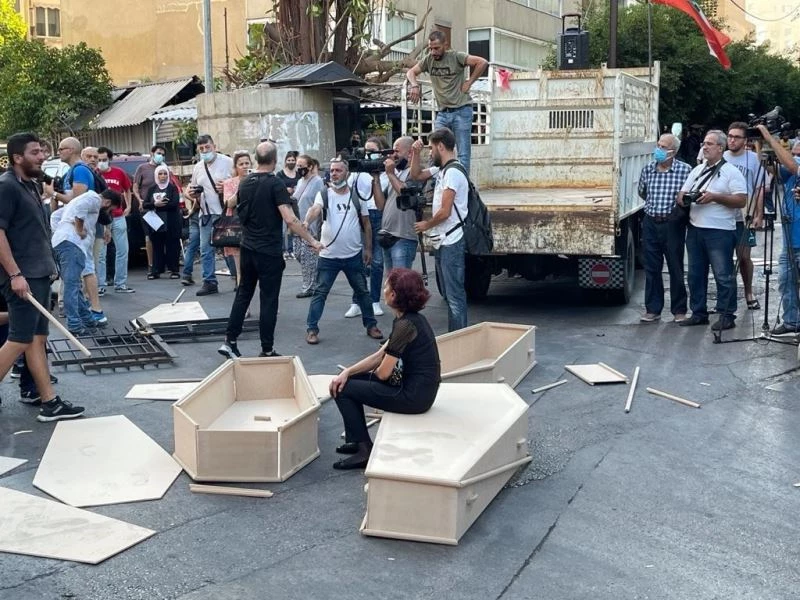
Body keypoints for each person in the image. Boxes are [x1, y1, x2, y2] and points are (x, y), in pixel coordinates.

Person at [0, 132, 82, 422]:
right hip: (23, 276)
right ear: (17, 157)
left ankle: (50, 402)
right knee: (20, 339)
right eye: (35, 152)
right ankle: (47, 400)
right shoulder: (7, 187)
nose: (42, 155)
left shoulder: (32, 185)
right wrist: (15, 274)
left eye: (42, 151)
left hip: (39, 273)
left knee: (36, 339)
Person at [218, 142, 322, 359]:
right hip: (268, 252)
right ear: (275, 160)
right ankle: (266, 349)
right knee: (268, 300)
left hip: (247, 248)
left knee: (243, 294)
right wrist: (312, 240)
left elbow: (231, 203)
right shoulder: (276, 184)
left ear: (256, 159)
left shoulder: (245, 182)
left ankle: (230, 341)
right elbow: (290, 219)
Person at [329, 268, 441, 469]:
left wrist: (355, 378)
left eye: (386, 285)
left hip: (414, 397)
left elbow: (383, 372)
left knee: (343, 389)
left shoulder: (405, 325)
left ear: (394, 295)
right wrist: (348, 372)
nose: (383, 289)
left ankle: (364, 450)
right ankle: (356, 440)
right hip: (417, 390)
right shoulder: (409, 319)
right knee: (344, 381)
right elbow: (380, 355)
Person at [302, 158, 384, 345]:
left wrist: (369, 248)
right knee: (320, 293)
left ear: (346, 173)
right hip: (328, 256)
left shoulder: (357, 195)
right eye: (332, 170)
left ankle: (371, 325)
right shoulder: (324, 194)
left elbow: (366, 223)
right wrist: (306, 222)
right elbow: (315, 210)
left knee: (363, 292)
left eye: (338, 170)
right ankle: (312, 329)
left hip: (353, 255)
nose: (334, 173)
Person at [677, 130, 748, 331]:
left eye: (709, 144)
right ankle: (699, 312)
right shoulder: (698, 170)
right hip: (696, 228)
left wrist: (715, 197)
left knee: (723, 274)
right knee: (695, 274)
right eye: (703, 143)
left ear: (720, 148)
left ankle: (727, 315)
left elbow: (741, 199)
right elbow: (683, 192)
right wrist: (683, 197)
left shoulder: (731, 172)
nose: (704, 147)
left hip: (719, 231)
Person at [409, 127, 470, 331]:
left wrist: (427, 225)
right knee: (451, 293)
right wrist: (415, 153)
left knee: (454, 295)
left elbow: (445, 211)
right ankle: (456, 336)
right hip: (445, 239)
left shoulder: (452, 172)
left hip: (452, 239)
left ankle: (458, 338)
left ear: (441, 146)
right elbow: (416, 175)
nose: (430, 153)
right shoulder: (443, 170)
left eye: (431, 149)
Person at [406, 30, 488, 175]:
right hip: (443, 112)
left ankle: (463, 186)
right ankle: (435, 184)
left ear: (445, 45)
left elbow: (482, 62)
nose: (433, 51)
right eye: (430, 48)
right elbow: (411, 72)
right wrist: (414, 85)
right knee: (435, 147)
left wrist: (469, 81)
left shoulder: (456, 56)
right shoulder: (428, 60)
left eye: (436, 48)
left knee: (463, 152)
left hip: (462, 110)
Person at [44, 138, 107, 326]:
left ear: (71, 150)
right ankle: (89, 313)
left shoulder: (79, 170)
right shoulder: (73, 171)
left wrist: (53, 194)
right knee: (80, 273)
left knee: (85, 270)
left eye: (61, 149)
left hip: (80, 233)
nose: (59, 151)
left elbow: (77, 202)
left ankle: (93, 312)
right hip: (74, 232)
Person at [637, 133, 691, 323]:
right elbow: (643, 193)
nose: (658, 150)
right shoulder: (648, 170)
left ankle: (679, 310)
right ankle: (653, 309)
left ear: (673, 151)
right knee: (652, 268)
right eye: (658, 145)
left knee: (675, 267)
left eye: (663, 147)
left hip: (672, 223)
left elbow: (688, 199)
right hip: (651, 221)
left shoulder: (685, 171)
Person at [53, 189, 120, 334]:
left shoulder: (77, 202)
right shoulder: (94, 198)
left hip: (63, 243)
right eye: (110, 210)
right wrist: (79, 229)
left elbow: (55, 216)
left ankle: (87, 320)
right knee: (72, 287)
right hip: (71, 244)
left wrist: (59, 233)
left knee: (74, 287)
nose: (108, 214)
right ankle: (74, 325)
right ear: (107, 203)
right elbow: (80, 210)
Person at [754, 124, 800, 335]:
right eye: (795, 151)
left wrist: (769, 137)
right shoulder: (792, 173)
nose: (795, 155)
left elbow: (790, 164)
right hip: (791, 240)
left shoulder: (794, 166)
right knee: (785, 282)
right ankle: (791, 322)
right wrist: (759, 143)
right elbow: (770, 167)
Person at [183, 135, 234, 296]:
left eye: (207, 147)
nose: (205, 151)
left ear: (214, 146)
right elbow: (192, 187)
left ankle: (239, 277)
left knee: (229, 247)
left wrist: (225, 187)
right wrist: (192, 193)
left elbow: (239, 185)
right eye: (201, 149)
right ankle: (209, 281)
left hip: (224, 212)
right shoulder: (198, 167)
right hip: (205, 212)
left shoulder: (227, 162)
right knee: (206, 249)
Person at [344, 137, 386, 319]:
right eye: (366, 151)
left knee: (377, 261)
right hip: (359, 216)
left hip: (377, 215)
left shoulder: (383, 173)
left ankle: (375, 300)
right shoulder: (357, 172)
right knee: (359, 261)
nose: (368, 155)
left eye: (372, 151)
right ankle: (357, 301)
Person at [725, 122, 764, 311]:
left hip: (744, 216)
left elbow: (759, 187)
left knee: (743, 257)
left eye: (736, 137)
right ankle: (726, 299)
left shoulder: (753, 159)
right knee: (722, 259)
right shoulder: (721, 156)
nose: (732, 140)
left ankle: (748, 291)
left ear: (745, 140)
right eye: (729, 136)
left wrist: (759, 214)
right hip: (723, 216)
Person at [374, 136, 418, 271]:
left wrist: (390, 174)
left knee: (401, 284)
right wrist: (376, 179)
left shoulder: (415, 173)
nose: (393, 155)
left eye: (397, 151)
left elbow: (405, 193)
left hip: (403, 237)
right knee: (392, 285)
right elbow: (381, 205)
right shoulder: (396, 175)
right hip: (387, 236)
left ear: (410, 152)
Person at [97, 146, 135, 293]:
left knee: (122, 251)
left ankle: (120, 283)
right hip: (102, 218)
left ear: (110, 159)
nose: (101, 163)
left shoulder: (119, 172)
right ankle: (100, 285)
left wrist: (129, 206)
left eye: (104, 160)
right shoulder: (95, 173)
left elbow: (127, 190)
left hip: (118, 216)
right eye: (99, 160)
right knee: (101, 253)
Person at [292, 154, 325, 298]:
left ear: (310, 166)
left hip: (310, 225)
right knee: (298, 253)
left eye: (301, 165)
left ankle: (309, 287)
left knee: (307, 256)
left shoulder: (317, 182)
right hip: (297, 224)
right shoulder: (300, 182)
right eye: (297, 166)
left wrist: (314, 223)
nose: (299, 168)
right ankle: (317, 278)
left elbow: (318, 205)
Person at [143, 165, 182, 279]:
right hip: (156, 223)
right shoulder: (152, 189)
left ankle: (174, 270)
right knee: (157, 246)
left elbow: (174, 203)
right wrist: (154, 204)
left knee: (172, 246)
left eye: (165, 174)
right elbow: (145, 204)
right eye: (160, 174)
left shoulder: (172, 188)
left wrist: (160, 205)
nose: (163, 176)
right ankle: (156, 270)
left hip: (171, 222)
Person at [134, 145, 168, 274]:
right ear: (152, 153)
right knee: (149, 237)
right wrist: (140, 200)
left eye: (163, 154)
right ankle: (151, 265)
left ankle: (161, 263)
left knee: (162, 236)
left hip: (163, 208)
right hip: (147, 208)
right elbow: (135, 186)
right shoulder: (142, 168)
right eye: (159, 153)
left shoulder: (164, 169)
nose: (161, 156)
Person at [221, 151, 252, 290]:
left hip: (255, 226)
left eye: (247, 163)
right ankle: (244, 306)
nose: (245, 166)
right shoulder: (229, 183)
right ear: (236, 167)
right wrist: (241, 187)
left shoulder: (256, 180)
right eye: (241, 164)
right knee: (240, 270)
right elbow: (228, 203)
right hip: (236, 227)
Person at [276, 150, 300, 260]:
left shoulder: (298, 174)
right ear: (285, 161)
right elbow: (276, 187)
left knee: (292, 227)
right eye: (289, 160)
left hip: (294, 202)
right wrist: (285, 189)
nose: (291, 162)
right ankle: (282, 250)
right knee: (282, 228)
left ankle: (291, 249)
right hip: (283, 203)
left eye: (293, 160)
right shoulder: (280, 174)